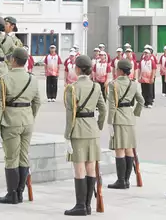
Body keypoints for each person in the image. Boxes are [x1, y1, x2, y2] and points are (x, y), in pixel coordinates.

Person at [0, 47, 41, 204]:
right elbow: (37, 102)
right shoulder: (32, 79)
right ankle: (20, 192)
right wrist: (30, 115)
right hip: (27, 120)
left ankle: (12, 194)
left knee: (11, 158)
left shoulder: (4, 79)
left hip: (11, 121)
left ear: (13, 60)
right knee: (23, 157)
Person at [62, 54, 106, 216]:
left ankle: (81, 205)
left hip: (78, 130)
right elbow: (103, 109)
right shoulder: (96, 87)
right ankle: (87, 205)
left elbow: (70, 115)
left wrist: (67, 135)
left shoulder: (72, 88)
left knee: (79, 167)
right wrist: (98, 125)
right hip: (92, 129)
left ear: (77, 69)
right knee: (90, 166)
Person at [106, 58, 143, 190]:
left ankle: (121, 180)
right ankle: (126, 179)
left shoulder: (113, 84)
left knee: (119, 149)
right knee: (129, 149)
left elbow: (111, 105)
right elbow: (141, 101)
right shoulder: (133, 84)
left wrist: (110, 122)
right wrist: (135, 113)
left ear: (120, 70)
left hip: (119, 117)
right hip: (129, 117)